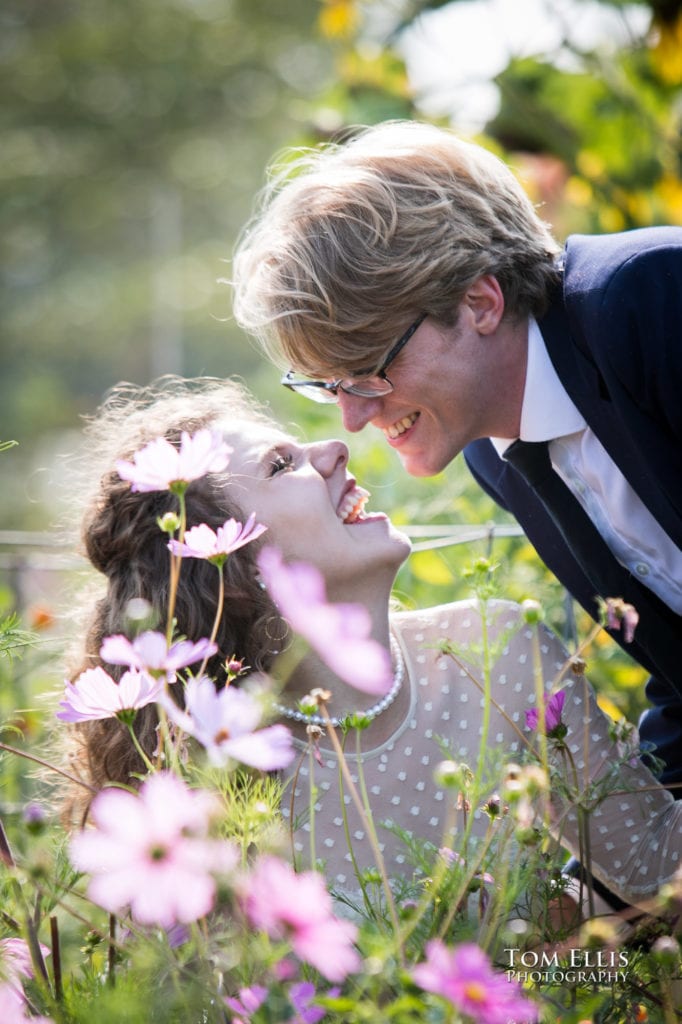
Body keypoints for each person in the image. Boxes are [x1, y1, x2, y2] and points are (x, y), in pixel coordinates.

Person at [60, 377, 682, 912]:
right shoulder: (206, 775)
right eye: (280, 465)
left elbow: (657, 873)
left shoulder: (497, 652)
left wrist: (553, 963)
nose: (333, 447)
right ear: (227, 563)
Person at [231, 119, 682, 795]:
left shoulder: (649, 299)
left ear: (479, 301)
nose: (353, 416)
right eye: (330, 387)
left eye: (367, 370)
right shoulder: (497, 460)